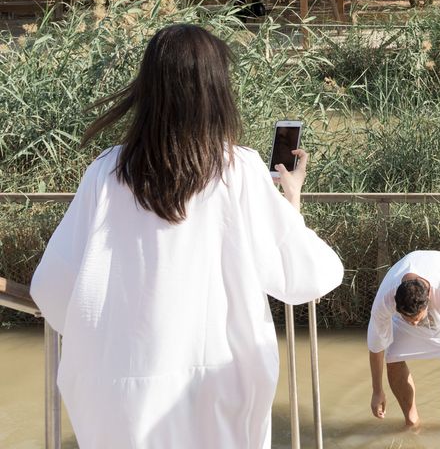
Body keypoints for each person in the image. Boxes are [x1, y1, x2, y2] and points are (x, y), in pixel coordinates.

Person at [30, 24, 343, 449]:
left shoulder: (105, 172)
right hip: (221, 390)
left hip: (121, 400)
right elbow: (305, 272)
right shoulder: (239, 170)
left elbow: (51, 288)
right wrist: (292, 201)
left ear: (148, 90)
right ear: (215, 92)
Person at [367, 250, 440, 430]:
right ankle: (411, 422)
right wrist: (377, 391)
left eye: (416, 318)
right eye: (408, 318)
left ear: (427, 301)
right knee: (393, 357)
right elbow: (376, 347)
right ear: (396, 304)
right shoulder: (384, 301)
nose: (414, 324)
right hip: (409, 297)